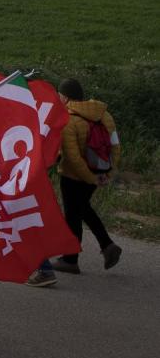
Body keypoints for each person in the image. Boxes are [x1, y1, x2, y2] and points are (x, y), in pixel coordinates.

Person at [50, 78, 123, 274]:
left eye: (59, 95)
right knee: (83, 209)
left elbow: (73, 158)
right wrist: (108, 173)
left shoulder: (68, 119)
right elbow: (115, 145)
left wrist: (90, 177)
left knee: (73, 216)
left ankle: (70, 260)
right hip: (99, 172)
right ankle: (107, 246)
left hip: (74, 178)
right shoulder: (104, 115)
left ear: (64, 96)